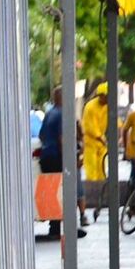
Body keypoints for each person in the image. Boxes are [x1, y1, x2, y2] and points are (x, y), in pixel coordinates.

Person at [38, 86, 87, 239]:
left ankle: (54, 226)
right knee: (67, 191)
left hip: (47, 157)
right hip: (58, 157)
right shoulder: (62, 114)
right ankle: (70, 227)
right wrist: (71, 160)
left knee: (55, 192)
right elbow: (63, 139)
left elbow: (41, 135)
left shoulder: (49, 113)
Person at [82, 83, 111, 220]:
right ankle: (92, 198)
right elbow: (90, 127)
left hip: (102, 142)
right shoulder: (90, 107)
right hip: (91, 143)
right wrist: (101, 138)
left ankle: (100, 197)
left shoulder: (108, 107)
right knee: (91, 170)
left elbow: (113, 121)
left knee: (101, 170)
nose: (104, 99)